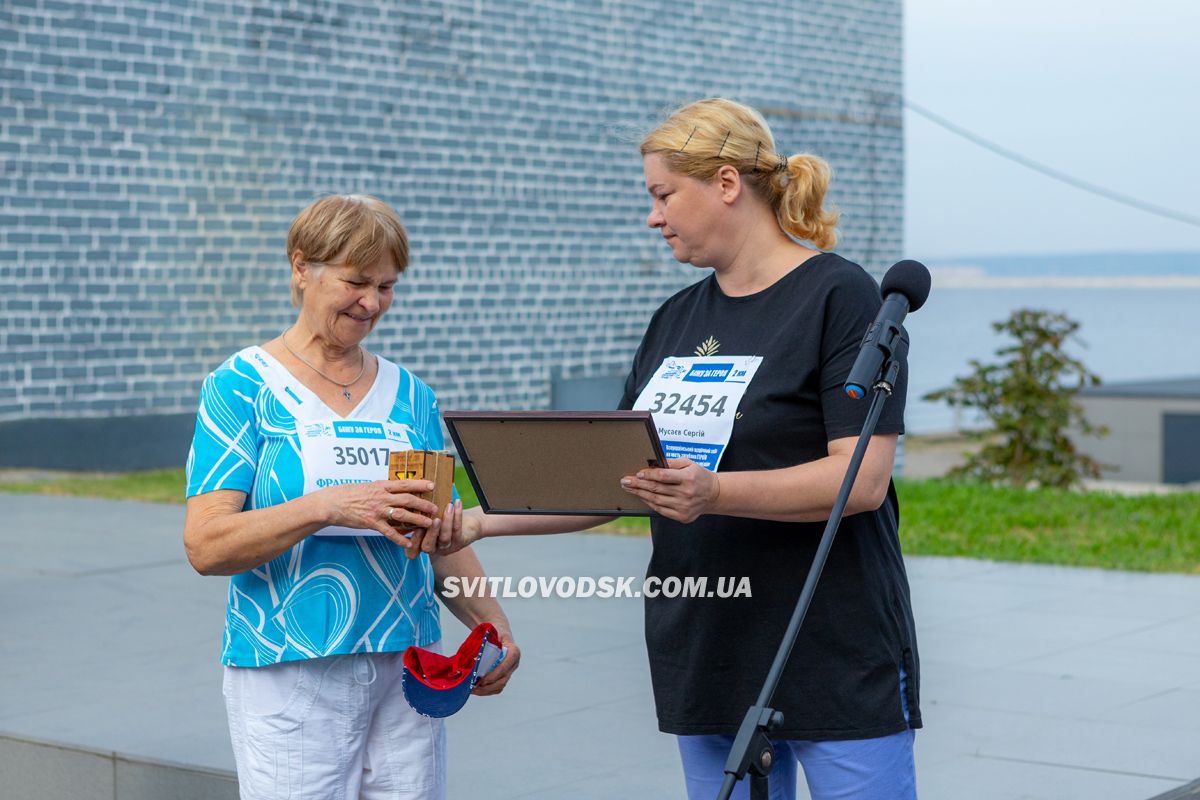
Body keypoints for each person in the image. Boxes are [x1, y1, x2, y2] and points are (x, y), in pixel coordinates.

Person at [439, 98, 920, 800]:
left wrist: (716, 493)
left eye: (663, 194)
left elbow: (863, 477)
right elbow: (616, 481)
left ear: (726, 184)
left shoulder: (840, 297)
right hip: (708, 646)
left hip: (832, 645)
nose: (652, 216)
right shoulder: (676, 318)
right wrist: (478, 520)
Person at [183, 194, 520, 800]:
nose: (373, 303)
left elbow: (436, 534)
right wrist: (328, 506)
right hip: (290, 667)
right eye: (357, 281)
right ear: (300, 267)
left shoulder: (411, 395)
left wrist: (492, 624)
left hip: (408, 667)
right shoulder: (241, 386)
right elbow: (207, 545)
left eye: (388, 286)